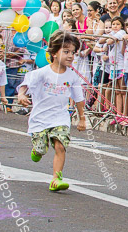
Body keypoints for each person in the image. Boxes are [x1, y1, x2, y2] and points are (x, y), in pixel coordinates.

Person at [17, 30, 87, 192]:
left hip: (60, 117)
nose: (70, 56)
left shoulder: (73, 76)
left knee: (60, 146)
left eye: (73, 53)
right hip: (40, 118)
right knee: (41, 149)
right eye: (66, 52)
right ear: (54, 53)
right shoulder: (42, 73)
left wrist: (82, 118)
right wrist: (21, 95)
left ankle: (56, 178)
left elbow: (78, 98)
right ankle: (38, 149)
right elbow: (26, 84)